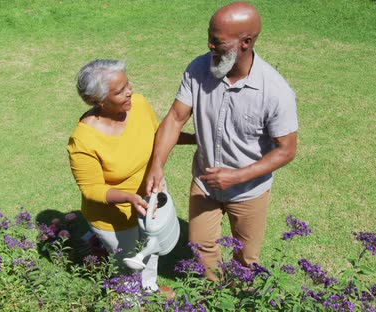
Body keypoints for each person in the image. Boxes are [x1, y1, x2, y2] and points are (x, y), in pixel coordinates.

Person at [146, 2, 298, 280]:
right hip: (204, 184)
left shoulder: (275, 91)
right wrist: (157, 165)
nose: (209, 46)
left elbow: (287, 150)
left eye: (217, 41)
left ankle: (240, 299)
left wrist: (237, 176)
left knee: (246, 259)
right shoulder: (198, 69)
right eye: (209, 37)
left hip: (249, 192)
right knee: (201, 248)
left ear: (246, 42)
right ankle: (213, 296)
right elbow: (175, 118)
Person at [67, 59, 192, 292]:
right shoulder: (83, 141)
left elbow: (158, 134)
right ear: (99, 101)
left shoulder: (138, 105)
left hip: (147, 201)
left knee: (150, 247)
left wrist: (196, 139)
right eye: (120, 91)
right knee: (127, 264)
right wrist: (129, 198)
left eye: (128, 84)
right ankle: (128, 301)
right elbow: (91, 189)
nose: (130, 92)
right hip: (114, 217)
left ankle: (149, 288)